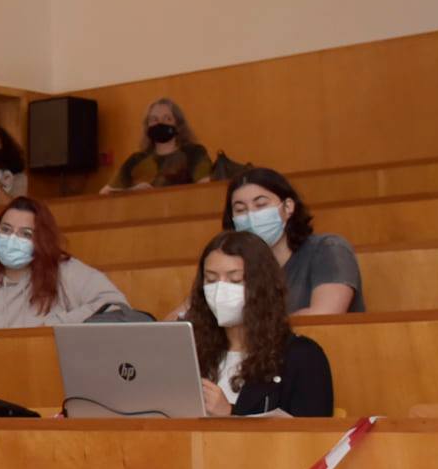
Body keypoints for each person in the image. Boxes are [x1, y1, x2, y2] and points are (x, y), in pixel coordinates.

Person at [0, 197, 129, 330]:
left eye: (25, 234)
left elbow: (117, 308)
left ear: (42, 238)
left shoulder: (65, 271)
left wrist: (58, 325)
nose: (13, 238)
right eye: (5, 230)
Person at [188, 232, 336, 417]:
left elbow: (312, 438)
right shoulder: (190, 351)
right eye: (211, 280)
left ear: (262, 285)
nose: (220, 290)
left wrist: (230, 414)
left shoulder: (302, 356)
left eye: (235, 280)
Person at [222, 167, 366, 315]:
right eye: (240, 210)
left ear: (288, 206)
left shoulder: (328, 249)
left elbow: (324, 316)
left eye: (261, 205)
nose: (251, 215)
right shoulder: (235, 265)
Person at [102, 97, 212, 192]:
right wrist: (132, 191)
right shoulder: (135, 160)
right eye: (154, 119)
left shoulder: (194, 153)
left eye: (167, 118)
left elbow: (207, 186)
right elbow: (106, 192)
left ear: (178, 125)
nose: (160, 123)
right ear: (147, 126)